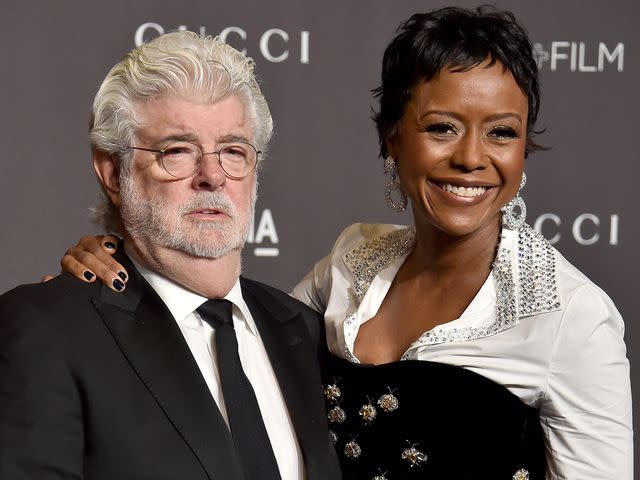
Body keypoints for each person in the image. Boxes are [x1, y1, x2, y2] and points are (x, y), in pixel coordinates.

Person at [53, 6, 633, 480]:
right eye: (441, 128)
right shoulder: (352, 264)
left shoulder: (571, 317)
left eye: (502, 133)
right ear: (392, 140)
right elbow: (237, 340)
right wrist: (121, 260)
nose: (472, 158)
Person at [0, 31, 340, 480]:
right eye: (177, 151)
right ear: (112, 173)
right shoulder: (44, 331)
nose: (213, 176)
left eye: (233, 151)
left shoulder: (308, 334)